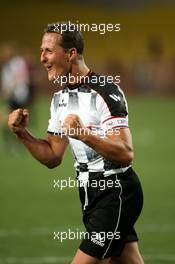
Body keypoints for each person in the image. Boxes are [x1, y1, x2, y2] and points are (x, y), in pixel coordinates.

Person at [8, 22, 144, 264]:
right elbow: (52, 156)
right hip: (90, 195)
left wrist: (84, 134)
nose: (42, 58)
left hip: (116, 193)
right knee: (128, 260)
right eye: (41, 51)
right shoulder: (59, 99)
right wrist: (22, 134)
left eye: (48, 51)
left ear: (71, 54)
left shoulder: (105, 91)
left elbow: (126, 153)